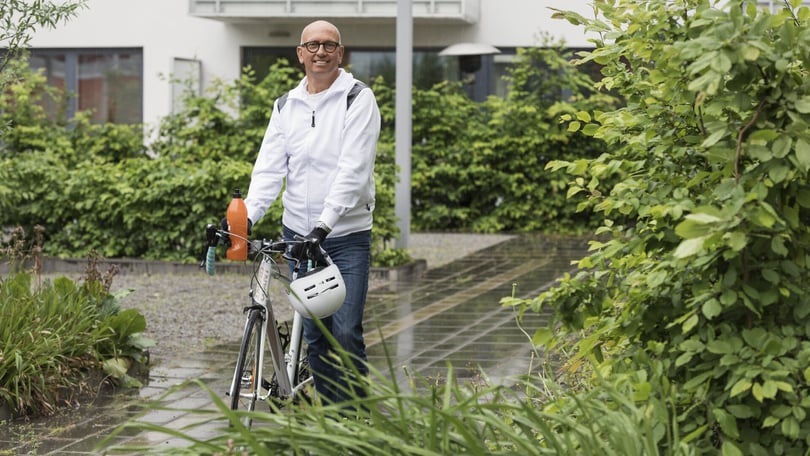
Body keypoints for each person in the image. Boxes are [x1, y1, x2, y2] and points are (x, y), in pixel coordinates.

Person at [241, 20, 381, 405]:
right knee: (317, 335)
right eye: (313, 45)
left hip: (345, 237)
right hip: (299, 236)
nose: (321, 51)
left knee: (347, 328)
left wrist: (324, 224)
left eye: (329, 45)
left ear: (341, 52)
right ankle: (333, 418)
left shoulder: (357, 98)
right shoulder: (286, 105)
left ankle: (355, 414)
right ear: (300, 53)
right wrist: (248, 216)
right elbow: (269, 168)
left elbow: (353, 170)